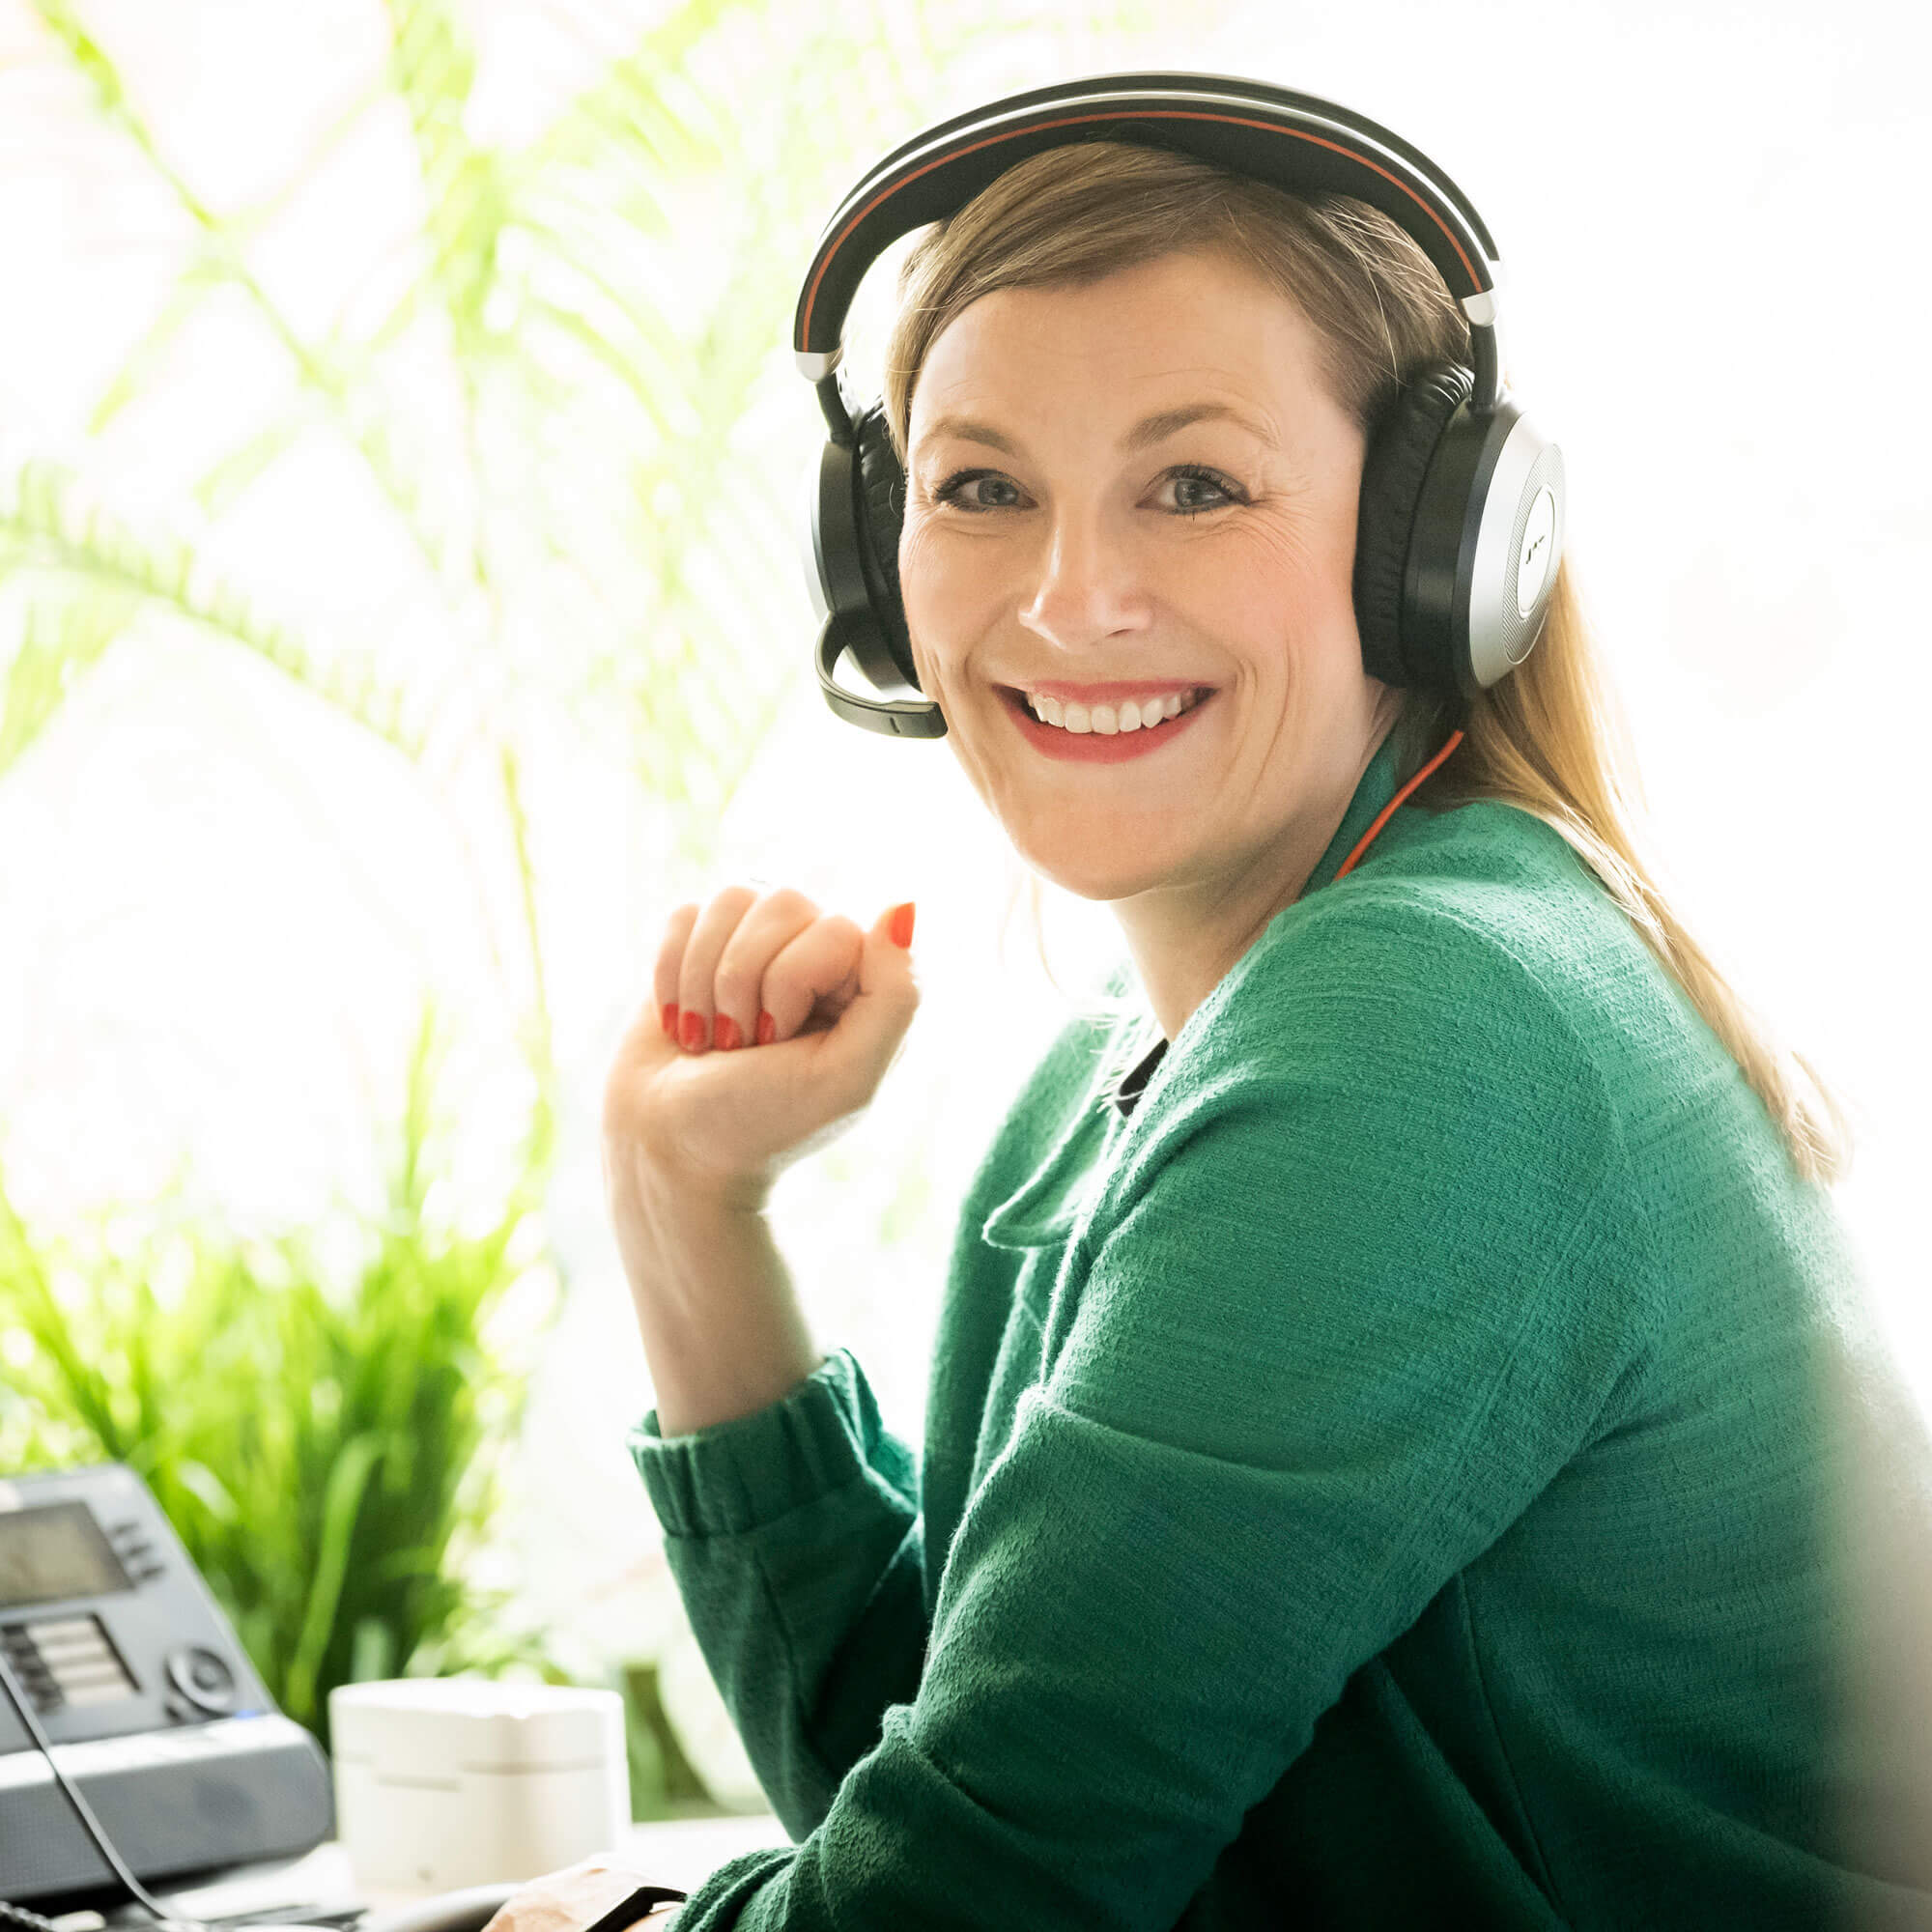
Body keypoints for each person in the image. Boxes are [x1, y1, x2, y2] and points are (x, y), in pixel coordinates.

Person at [499, 80, 1932, 1932]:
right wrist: (684, 1205)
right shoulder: (1125, 1067)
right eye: (979, 488)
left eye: (1195, 485)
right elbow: (957, 1787)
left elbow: (968, 1902)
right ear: (875, 552)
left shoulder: (1433, 1025)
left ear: (1431, 550)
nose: (1070, 599)